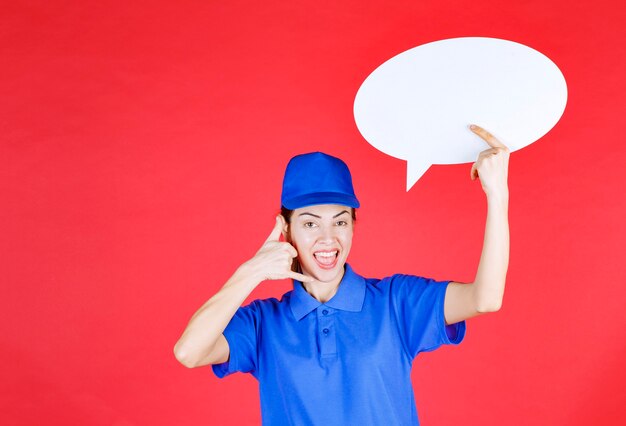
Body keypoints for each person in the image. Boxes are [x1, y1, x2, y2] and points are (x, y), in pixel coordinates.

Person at [174, 124, 510, 425]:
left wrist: (497, 194)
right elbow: (189, 352)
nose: (327, 238)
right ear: (285, 229)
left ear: (352, 227)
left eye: (340, 221)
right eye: (309, 223)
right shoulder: (264, 324)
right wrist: (250, 272)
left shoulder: (396, 302)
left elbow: (486, 299)